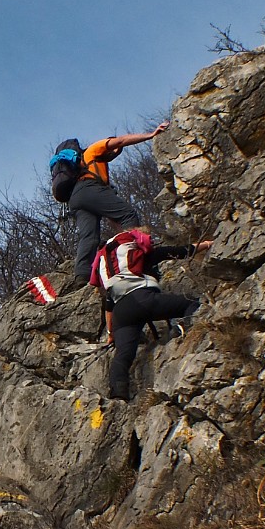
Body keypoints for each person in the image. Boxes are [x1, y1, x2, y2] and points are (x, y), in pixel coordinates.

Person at [91, 227, 213, 401]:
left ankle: (118, 395)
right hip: (143, 299)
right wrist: (207, 244)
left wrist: (111, 334)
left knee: (123, 356)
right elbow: (181, 251)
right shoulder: (144, 256)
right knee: (193, 305)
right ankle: (181, 330)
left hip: (122, 312)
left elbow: (108, 305)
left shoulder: (114, 274)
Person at [66, 122, 170, 283]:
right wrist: (151, 134)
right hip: (90, 189)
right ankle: (138, 259)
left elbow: (113, 216)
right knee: (129, 214)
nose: (115, 151)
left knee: (89, 236)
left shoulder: (80, 167)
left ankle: (82, 275)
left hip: (76, 199)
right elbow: (121, 141)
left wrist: (121, 229)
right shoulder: (93, 150)